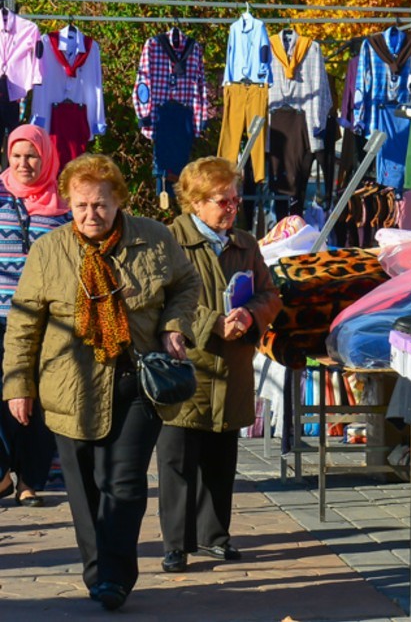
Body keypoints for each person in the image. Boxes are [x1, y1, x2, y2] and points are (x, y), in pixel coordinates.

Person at [2, 154, 200, 611]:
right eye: (81, 206)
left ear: (118, 202)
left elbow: (185, 284)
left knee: (124, 483)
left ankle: (115, 575)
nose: (91, 215)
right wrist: (18, 385)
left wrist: (175, 324)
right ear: (69, 203)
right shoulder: (49, 250)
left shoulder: (153, 237)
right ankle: (98, 571)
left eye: (100, 205)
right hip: (68, 386)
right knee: (85, 487)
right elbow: (25, 323)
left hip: (136, 382)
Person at [158, 157, 282, 574]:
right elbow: (163, 299)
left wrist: (250, 316)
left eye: (235, 199)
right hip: (185, 366)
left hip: (232, 367)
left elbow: (270, 294)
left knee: (220, 456)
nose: (232, 207)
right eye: (222, 201)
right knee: (177, 459)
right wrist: (212, 324)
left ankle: (215, 536)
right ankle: (176, 543)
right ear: (194, 202)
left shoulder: (246, 243)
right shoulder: (169, 241)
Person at [0, 125, 72, 508]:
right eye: (17, 156)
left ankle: (29, 479)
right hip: (0, 315)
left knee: (38, 403)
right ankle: (2, 474)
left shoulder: (63, 207)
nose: (24, 163)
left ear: (46, 157)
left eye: (32, 156)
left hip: (45, 323)